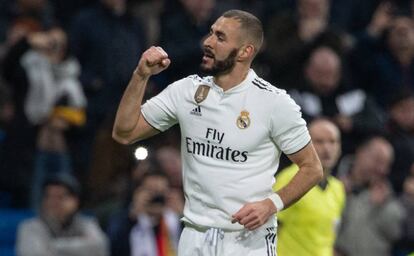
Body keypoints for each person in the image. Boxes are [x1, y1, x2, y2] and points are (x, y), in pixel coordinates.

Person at [112, 9, 323, 255]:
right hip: (194, 236)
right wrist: (141, 75)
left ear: (246, 51)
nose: (208, 42)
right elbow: (124, 132)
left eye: (220, 38)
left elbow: (312, 168)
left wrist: (271, 204)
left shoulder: (274, 103)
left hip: (247, 241)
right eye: (211, 33)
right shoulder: (186, 92)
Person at [273, 118, 345, 256]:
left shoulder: (338, 188)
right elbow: (269, 228)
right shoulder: (290, 178)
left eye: (332, 142)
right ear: (305, 144)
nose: (327, 148)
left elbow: (328, 237)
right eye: (319, 141)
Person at [16, 173, 109, 256]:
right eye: (49, 196)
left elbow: (99, 247)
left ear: (75, 202)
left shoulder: (87, 224)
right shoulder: (29, 227)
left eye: (60, 197)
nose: (53, 202)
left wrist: (52, 246)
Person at [107, 170, 182, 256]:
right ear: (138, 193)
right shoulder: (125, 220)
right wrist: (132, 216)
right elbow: (113, 246)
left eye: (161, 192)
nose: (156, 198)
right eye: (151, 192)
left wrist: (184, 217)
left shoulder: (176, 221)